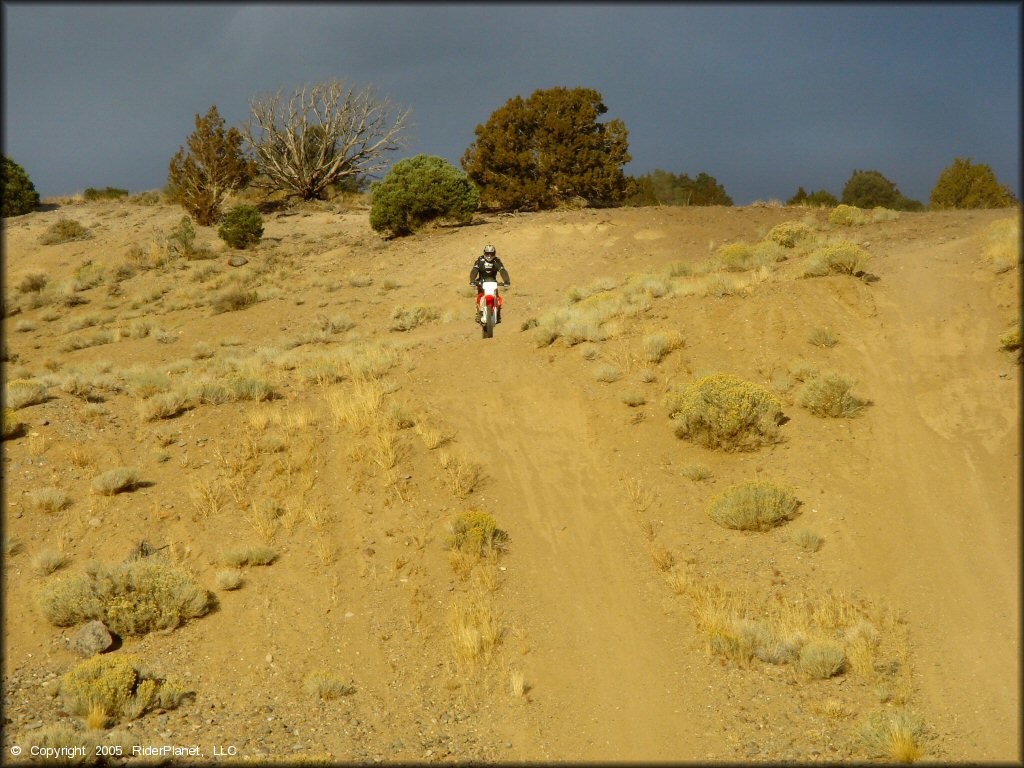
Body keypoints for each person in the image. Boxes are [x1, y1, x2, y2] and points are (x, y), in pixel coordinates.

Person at [468, 245, 511, 324]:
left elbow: (502, 270)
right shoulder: (480, 261)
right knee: (480, 296)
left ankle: (498, 314)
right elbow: (474, 270)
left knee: (497, 297)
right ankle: (479, 313)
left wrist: (506, 281)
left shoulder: (496, 261)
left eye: (491, 253)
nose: (489, 255)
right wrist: (472, 280)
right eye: (487, 253)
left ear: (494, 253)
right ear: (484, 253)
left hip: (493, 282)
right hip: (481, 282)